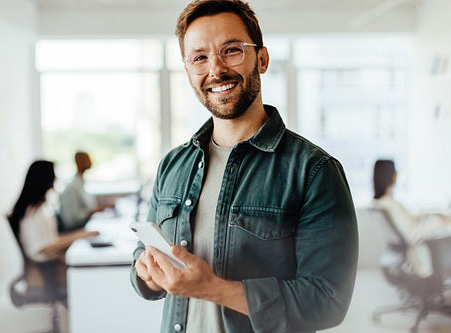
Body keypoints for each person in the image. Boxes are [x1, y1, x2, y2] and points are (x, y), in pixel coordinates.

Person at [130, 1, 359, 332]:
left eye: (231, 51)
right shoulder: (172, 165)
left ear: (261, 59)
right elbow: (142, 264)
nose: (216, 69)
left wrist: (212, 288)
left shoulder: (314, 172)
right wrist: (148, 272)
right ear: (188, 72)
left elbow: (327, 301)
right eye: (200, 58)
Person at [7, 160, 99, 287]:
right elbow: (44, 247)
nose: (55, 178)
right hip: (48, 267)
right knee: (93, 268)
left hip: (50, 263)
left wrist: (80, 234)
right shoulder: (34, 213)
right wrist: (78, 237)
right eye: (53, 175)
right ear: (44, 179)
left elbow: (51, 240)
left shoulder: (38, 208)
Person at [373, 159, 451, 277]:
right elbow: (414, 234)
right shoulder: (390, 205)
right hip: (419, 255)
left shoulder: (383, 202)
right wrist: (442, 221)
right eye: (394, 171)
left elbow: (408, 220)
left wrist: (434, 214)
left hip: (414, 250)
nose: (397, 173)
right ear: (389, 175)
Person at [59, 151, 114, 232]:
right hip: (77, 229)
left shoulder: (81, 183)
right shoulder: (72, 187)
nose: (90, 162)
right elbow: (71, 219)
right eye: (86, 159)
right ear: (78, 162)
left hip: (85, 224)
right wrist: (92, 212)